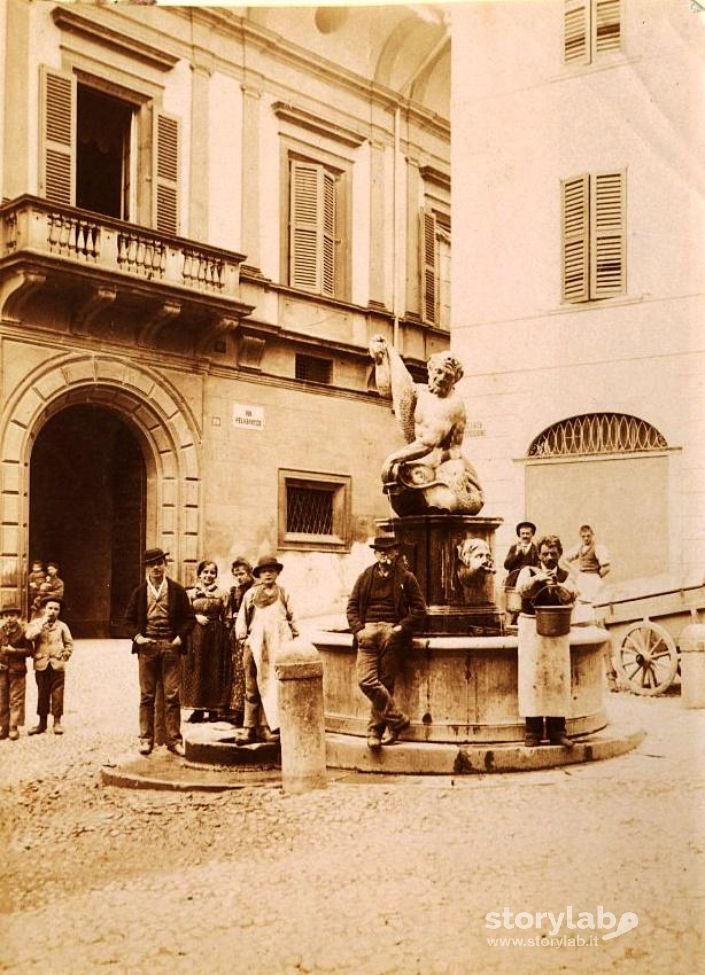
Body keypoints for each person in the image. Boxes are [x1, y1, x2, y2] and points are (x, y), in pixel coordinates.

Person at [368, 335, 484, 515]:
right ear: (430, 369)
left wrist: (393, 458)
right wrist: (381, 358)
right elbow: (386, 389)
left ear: (454, 380)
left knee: (444, 503)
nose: (441, 378)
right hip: (421, 459)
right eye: (438, 372)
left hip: (444, 462)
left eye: (448, 376)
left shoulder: (452, 404)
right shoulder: (421, 392)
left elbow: (429, 442)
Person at [346, 535, 427, 750]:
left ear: (395, 553)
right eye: (380, 551)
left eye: (389, 551)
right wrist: (359, 630)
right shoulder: (365, 576)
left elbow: (420, 610)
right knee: (366, 681)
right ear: (375, 554)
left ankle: (375, 731)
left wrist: (399, 628)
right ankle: (397, 719)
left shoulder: (406, 578)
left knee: (385, 682)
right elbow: (352, 606)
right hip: (367, 632)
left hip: (392, 633)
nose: (384, 555)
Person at [124, 547, 195, 757]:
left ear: (165, 564)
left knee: (172, 695)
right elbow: (127, 621)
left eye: (159, 563)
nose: (156, 567)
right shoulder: (139, 592)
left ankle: (174, 740)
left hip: (170, 648)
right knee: (147, 695)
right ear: (146, 567)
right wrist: (138, 638)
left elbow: (189, 619)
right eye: (151, 564)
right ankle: (146, 739)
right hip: (147, 649)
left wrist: (179, 638)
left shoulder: (176, 590)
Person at [516, 535, 578, 748]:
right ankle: (532, 731)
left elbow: (573, 595)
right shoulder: (528, 571)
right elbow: (521, 590)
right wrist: (538, 580)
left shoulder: (566, 575)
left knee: (556, 678)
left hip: (557, 628)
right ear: (538, 554)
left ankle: (557, 730)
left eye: (553, 553)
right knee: (531, 678)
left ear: (559, 554)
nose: (549, 557)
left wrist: (560, 588)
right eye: (545, 553)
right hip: (531, 629)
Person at [234, 555, 299, 744]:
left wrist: (293, 640)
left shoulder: (284, 593)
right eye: (264, 571)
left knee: (272, 686)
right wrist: (244, 639)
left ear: (277, 573)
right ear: (259, 575)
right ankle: (248, 729)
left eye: (271, 570)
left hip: (278, 646)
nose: (268, 574)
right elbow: (242, 621)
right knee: (252, 687)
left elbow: (293, 619)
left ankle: (266, 727)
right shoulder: (251, 595)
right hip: (254, 646)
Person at [565, 524, 616, 689]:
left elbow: (606, 567)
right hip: (582, 581)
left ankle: (610, 674)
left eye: (588, 536)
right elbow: (564, 559)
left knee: (597, 618)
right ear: (580, 536)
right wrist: (577, 573)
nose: (586, 539)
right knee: (579, 616)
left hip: (593, 581)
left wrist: (595, 578)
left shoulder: (599, 548)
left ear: (593, 535)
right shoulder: (579, 548)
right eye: (583, 536)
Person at [182, 560, 229, 723]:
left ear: (216, 575)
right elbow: (184, 614)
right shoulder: (190, 593)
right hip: (196, 634)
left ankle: (213, 709)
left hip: (216, 634)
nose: (209, 575)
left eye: (212, 572)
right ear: (199, 574)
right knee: (197, 667)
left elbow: (226, 614)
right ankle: (197, 709)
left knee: (214, 668)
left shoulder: (223, 593)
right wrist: (195, 617)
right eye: (205, 572)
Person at [25, 596, 73, 736]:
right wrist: (42, 623)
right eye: (50, 608)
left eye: (56, 609)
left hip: (57, 664)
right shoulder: (36, 623)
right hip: (41, 664)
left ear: (59, 611)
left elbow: (69, 643)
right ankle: (42, 722)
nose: (52, 611)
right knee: (42, 694)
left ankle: (57, 722)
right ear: (44, 609)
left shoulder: (62, 626)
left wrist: (65, 655)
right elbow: (29, 636)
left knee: (58, 694)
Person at [224, 557, 255, 726]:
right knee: (237, 671)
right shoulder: (234, 591)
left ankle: (250, 712)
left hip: (253, 634)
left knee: (248, 672)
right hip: (237, 636)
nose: (239, 577)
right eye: (236, 574)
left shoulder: (256, 590)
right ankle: (238, 710)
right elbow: (230, 613)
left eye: (242, 574)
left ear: (250, 573)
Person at [0, 606, 32, 741]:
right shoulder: (0, 632)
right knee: (2, 698)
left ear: (18, 617)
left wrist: (14, 652)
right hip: (1, 671)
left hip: (17, 671)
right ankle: (4, 727)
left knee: (16, 699)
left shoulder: (23, 632)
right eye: (6, 616)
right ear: (2, 618)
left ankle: (14, 727)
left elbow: (30, 651)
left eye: (13, 615)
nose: (9, 618)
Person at [503, 521, 540, 625]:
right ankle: (513, 625)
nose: (525, 536)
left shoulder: (536, 549)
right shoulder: (514, 548)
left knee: (528, 604)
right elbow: (506, 565)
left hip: (529, 582)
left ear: (532, 534)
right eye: (522, 533)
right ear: (519, 534)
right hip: (514, 581)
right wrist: (516, 554)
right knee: (514, 606)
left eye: (527, 533)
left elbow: (539, 566)